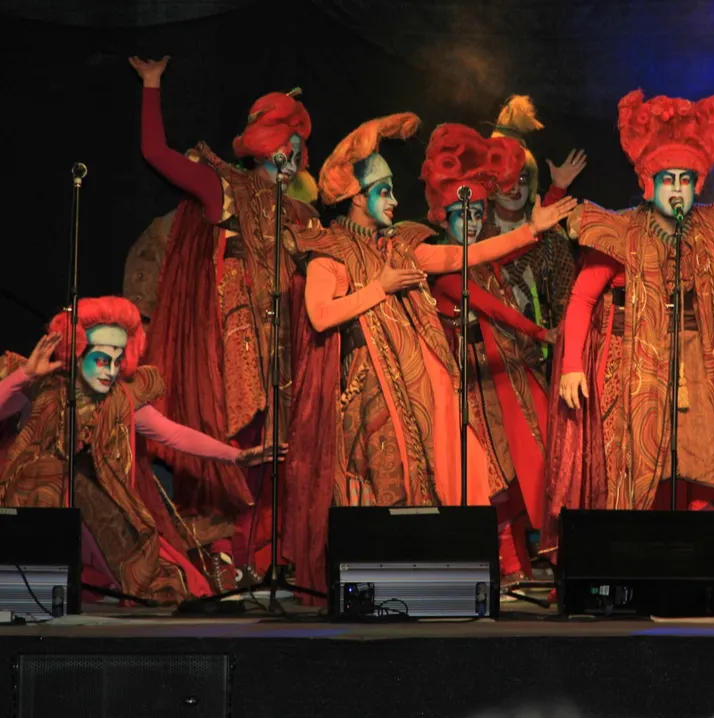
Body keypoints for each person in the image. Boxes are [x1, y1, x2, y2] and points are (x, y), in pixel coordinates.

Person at [282, 113, 574, 595]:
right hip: (366, 396)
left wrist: (530, 230)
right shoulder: (330, 251)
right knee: (382, 488)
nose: (395, 201)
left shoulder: (401, 246)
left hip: (416, 394)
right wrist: (379, 288)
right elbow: (319, 315)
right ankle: (371, 587)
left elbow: (462, 256)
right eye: (384, 192)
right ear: (356, 196)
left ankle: (423, 581)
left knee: (442, 477)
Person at [542, 89, 714, 556]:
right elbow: (582, 298)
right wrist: (572, 365)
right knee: (632, 460)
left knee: (698, 456)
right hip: (630, 365)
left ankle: (691, 552)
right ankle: (630, 554)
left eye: (684, 179)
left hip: (696, 362)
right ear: (649, 182)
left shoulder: (710, 233)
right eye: (667, 179)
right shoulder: (620, 231)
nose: (676, 188)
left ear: (696, 184)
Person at [129, 55, 318, 586]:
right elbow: (155, 154)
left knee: (283, 452)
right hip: (232, 346)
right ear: (264, 144)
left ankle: (267, 557)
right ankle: (226, 555)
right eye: (285, 143)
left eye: (299, 146)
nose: (293, 155)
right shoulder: (224, 188)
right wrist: (151, 85)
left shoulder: (302, 215)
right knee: (236, 445)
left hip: (288, 344)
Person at [0, 297, 280, 604]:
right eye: (102, 360)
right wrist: (24, 375)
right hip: (31, 501)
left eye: (118, 360)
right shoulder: (43, 387)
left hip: (93, 507)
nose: (111, 370)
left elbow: (173, 434)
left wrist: (236, 456)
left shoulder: (120, 398)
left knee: (158, 577)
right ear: (77, 355)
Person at [424, 123, 573, 585]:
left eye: (475, 214)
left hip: (495, 375)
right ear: (443, 218)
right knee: (486, 474)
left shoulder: (484, 258)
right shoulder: (443, 264)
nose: (469, 222)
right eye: (460, 215)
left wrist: (551, 200)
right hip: (463, 383)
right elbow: (491, 307)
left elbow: (516, 253)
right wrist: (541, 332)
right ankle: (503, 565)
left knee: (513, 468)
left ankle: (519, 564)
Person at [486, 96, 584, 357]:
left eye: (522, 178)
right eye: (506, 180)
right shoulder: (475, 228)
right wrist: (555, 192)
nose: (514, 188)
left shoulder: (552, 237)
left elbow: (566, 300)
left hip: (539, 354)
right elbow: (487, 260)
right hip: (490, 352)